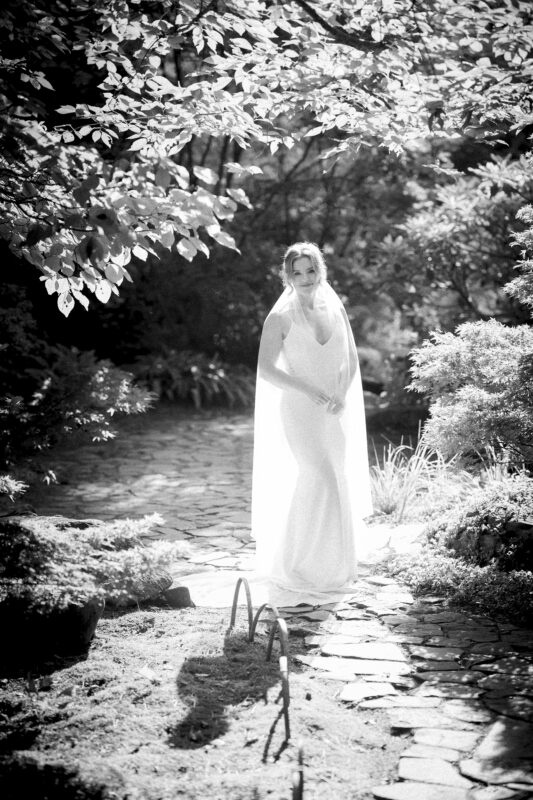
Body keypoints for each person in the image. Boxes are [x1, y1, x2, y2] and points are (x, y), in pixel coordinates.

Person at [251, 242, 373, 605]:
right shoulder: (280, 317)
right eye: (297, 272)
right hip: (300, 410)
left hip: (333, 411)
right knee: (316, 476)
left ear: (321, 271)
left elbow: (350, 360)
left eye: (310, 270)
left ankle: (333, 567)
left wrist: (340, 392)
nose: (304, 278)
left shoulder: (334, 310)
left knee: (335, 479)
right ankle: (295, 565)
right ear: (287, 275)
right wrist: (308, 390)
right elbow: (266, 368)